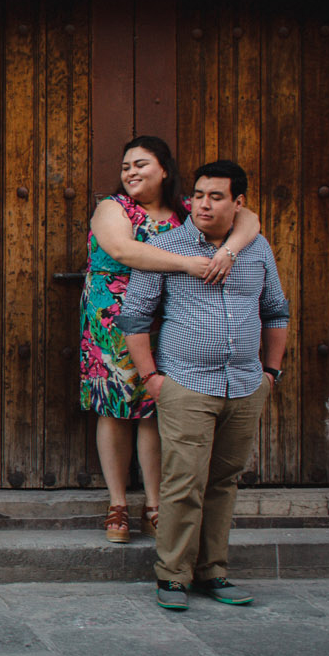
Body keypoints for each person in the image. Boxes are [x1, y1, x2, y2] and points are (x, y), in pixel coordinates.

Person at [118, 160, 290, 610]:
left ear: (238, 203)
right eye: (197, 195)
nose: (203, 204)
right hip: (187, 384)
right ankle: (172, 576)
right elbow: (134, 317)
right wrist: (154, 379)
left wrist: (270, 373)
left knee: (223, 482)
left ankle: (212, 572)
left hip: (245, 385)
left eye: (216, 196)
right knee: (183, 482)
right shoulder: (168, 247)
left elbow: (275, 311)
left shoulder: (256, 249)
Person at [80, 137, 259, 543]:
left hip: (172, 316)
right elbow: (122, 249)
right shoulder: (113, 208)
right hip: (113, 319)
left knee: (157, 406)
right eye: (126, 166)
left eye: (141, 164)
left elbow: (248, 220)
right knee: (115, 406)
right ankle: (119, 503)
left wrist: (227, 253)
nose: (131, 173)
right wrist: (191, 264)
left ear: (164, 169)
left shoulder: (186, 208)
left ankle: (156, 505)